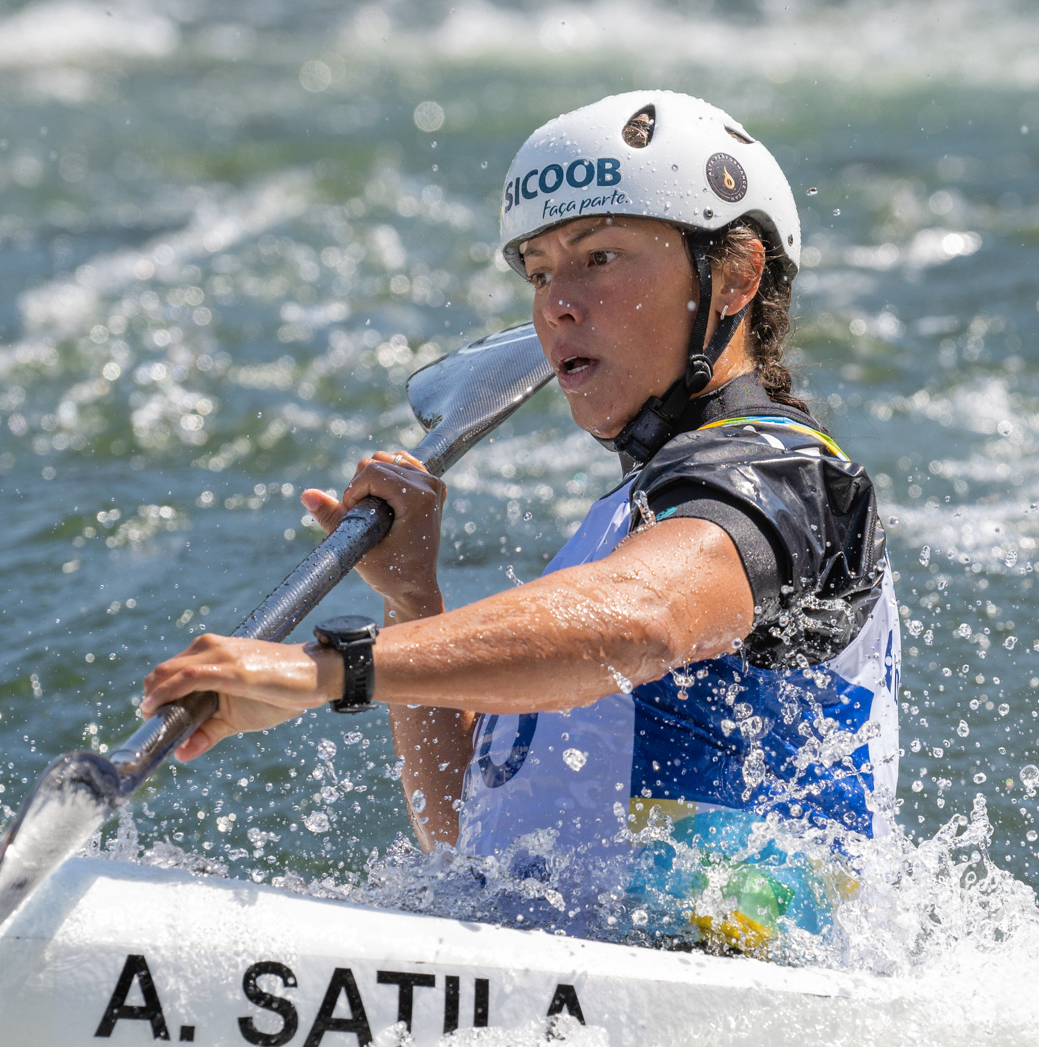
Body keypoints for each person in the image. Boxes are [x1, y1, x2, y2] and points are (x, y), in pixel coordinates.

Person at [139, 91, 898, 953]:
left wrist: (327, 672)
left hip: (727, 1025)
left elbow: (644, 621)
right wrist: (413, 601)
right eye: (539, 273)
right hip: (588, 1018)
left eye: (600, 258)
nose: (556, 307)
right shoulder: (627, 525)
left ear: (735, 275)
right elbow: (471, 836)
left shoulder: (787, 476)